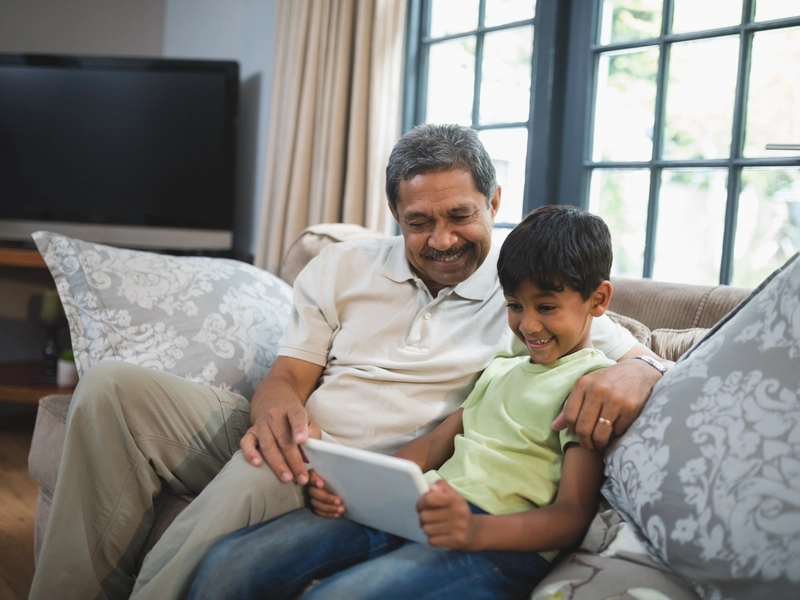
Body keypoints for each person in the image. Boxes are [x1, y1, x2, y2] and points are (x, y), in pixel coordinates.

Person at [29, 124, 665, 600]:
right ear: (394, 215)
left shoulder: (524, 296)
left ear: (494, 203)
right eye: (419, 222)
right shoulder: (343, 266)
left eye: (459, 216)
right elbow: (289, 376)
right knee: (113, 388)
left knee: (265, 465)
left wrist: (641, 371)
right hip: (310, 434)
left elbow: (639, 357)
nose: (441, 239)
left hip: (368, 466)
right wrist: (277, 408)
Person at [187, 204, 618, 600]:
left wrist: (473, 530)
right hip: (419, 509)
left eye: (546, 307)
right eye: (513, 306)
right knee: (232, 562)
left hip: (498, 544)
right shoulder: (504, 367)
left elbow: (572, 515)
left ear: (598, 300)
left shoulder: (590, 386)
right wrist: (359, 492)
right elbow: (433, 446)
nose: (528, 324)